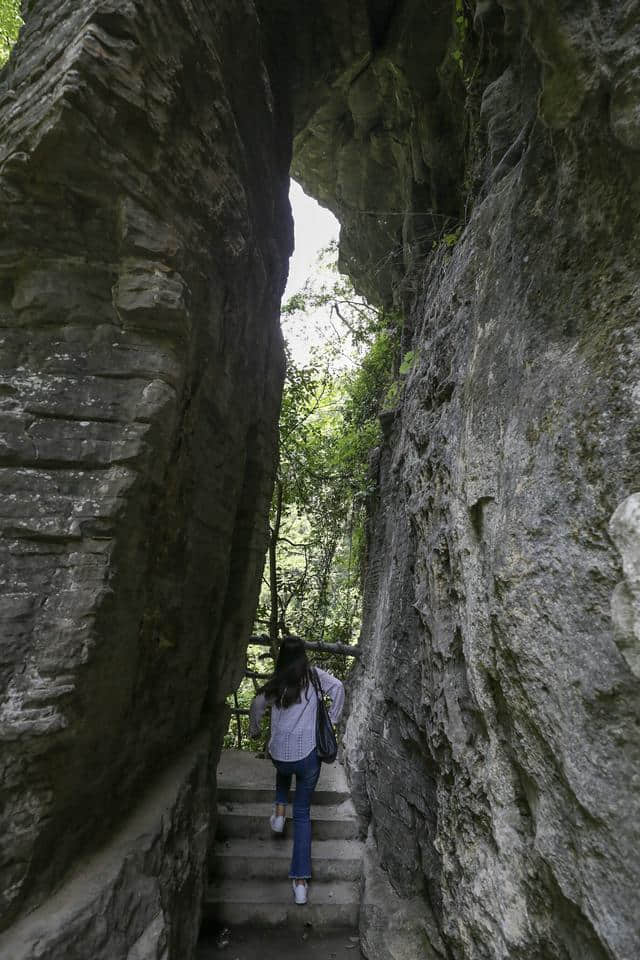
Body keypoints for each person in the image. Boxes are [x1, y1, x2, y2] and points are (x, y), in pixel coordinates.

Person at [248, 635, 345, 905]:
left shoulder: (277, 682)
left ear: (282, 658)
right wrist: (334, 719)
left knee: (282, 767)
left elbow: (257, 704)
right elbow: (338, 687)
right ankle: (300, 883)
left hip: (281, 756)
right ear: (303, 655)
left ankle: (279, 813)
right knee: (302, 814)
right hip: (308, 757)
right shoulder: (314, 677)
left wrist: (254, 729)